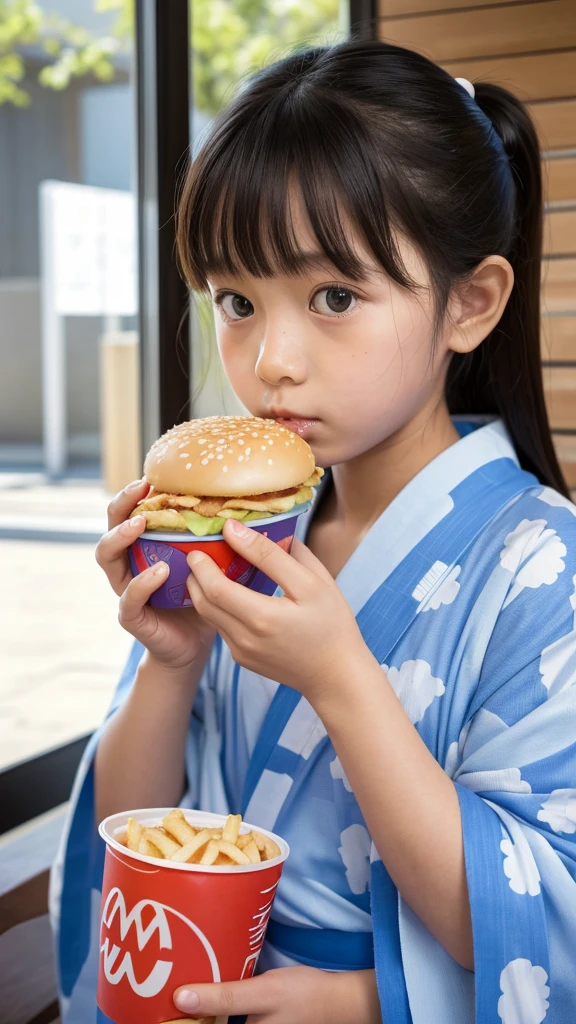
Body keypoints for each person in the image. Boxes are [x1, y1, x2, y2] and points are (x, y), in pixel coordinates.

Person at [51, 39, 576, 1024]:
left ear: (471, 302)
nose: (272, 359)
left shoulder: (545, 565)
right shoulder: (241, 537)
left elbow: (543, 923)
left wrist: (371, 1001)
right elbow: (133, 836)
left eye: (334, 296)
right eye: (237, 302)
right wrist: (168, 665)